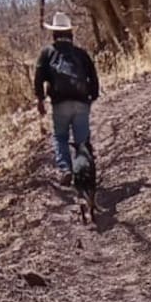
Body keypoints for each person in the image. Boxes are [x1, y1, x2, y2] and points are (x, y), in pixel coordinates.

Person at [34, 12, 100, 185]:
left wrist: (40, 99)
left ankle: (65, 169)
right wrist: (92, 96)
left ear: (54, 34)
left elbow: (39, 77)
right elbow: (93, 77)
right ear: (71, 33)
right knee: (82, 142)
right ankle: (84, 175)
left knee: (60, 137)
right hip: (81, 102)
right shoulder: (81, 54)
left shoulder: (47, 53)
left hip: (59, 103)